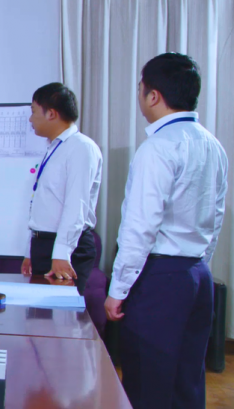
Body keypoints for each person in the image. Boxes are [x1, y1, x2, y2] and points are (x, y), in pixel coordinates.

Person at [104, 53, 227, 409]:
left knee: (147, 382)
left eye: (140, 89)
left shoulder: (157, 147)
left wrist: (118, 289)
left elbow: (140, 226)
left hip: (160, 278)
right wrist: (199, 263)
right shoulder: (213, 145)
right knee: (188, 382)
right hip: (197, 275)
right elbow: (216, 216)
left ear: (153, 95)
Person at [20, 83, 102, 295]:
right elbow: (44, 204)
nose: (30, 119)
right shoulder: (54, 148)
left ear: (51, 114)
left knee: (62, 313)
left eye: (33, 112)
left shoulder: (81, 147)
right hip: (45, 244)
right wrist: (30, 251)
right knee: (39, 313)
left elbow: (76, 205)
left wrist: (61, 254)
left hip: (67, 247)